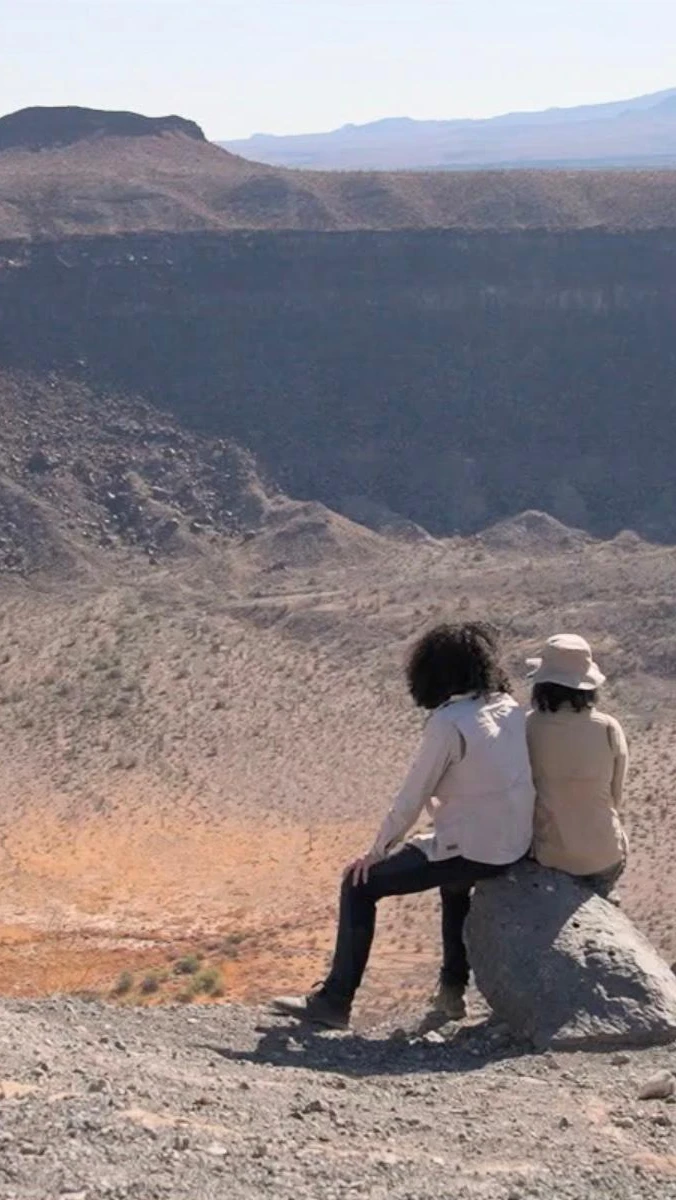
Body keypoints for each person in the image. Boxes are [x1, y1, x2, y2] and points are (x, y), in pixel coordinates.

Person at [273, 622, 535, 1030]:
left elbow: (410, 799)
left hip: (476, 848)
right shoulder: (507, 707)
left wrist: (375, 854)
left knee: (359, 885)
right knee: (452, 878)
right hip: (514, 844)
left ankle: (334, 1001)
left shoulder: (449, 723)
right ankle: (451, 991)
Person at [526, 634, 629, 897]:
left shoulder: (525, 727)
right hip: (605, 855)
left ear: (541, 685)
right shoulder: (608, 726)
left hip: (552, 856)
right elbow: (616, 797)